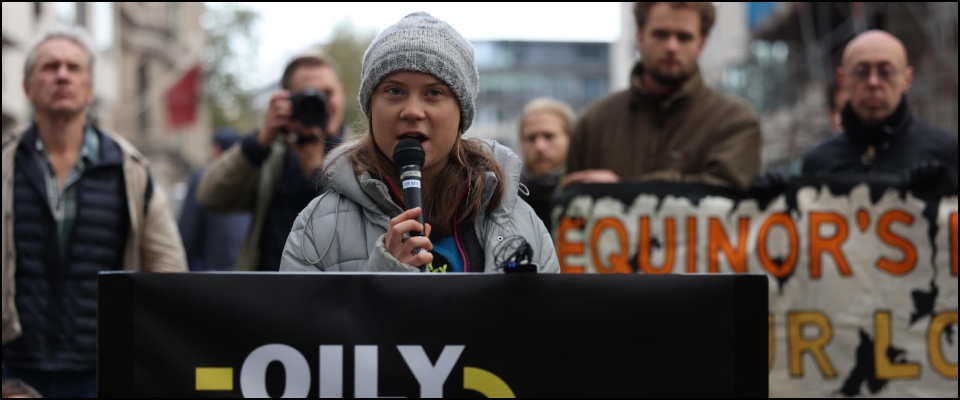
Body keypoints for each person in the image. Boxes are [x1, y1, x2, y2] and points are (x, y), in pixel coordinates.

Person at [279, 12, 559, 274]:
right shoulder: (318, 225)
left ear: (462, 113)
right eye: (394, 91)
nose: (412, 111)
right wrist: (386, 276)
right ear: (370, 107)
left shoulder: (521, 221)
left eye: (434, 92)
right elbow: (299, 325)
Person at [1, 26, 186, 398]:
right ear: (28, 88)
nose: (62, 75)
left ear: (90, 88)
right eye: (50, 67)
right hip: (13, 371)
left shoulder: (130, 169)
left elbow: (168, 273)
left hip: (101, 372)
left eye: (73, 67)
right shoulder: (5, 165)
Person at [562, 2, 761, 190]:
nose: (671, 47)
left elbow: (725, 194)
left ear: (701, 45)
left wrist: (620, 190)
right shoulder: (593, 124)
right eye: (660, 34)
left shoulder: (735, 122)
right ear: (640, 38)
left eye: (684, 37)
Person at [197, 54, 347, 271]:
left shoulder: (361, 156)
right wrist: (259, 140)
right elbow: (210, 197)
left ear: (341, 95)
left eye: (327, 93)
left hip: (332, 295)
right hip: (267, 293)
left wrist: (315, 167)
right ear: (288, 101)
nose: (319, 103)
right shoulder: (271, 157)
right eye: (308, 95)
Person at [802, 30, 958, 193]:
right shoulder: (818, 163)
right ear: (843, 79)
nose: (873, 82)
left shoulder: (946, 156)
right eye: (861, 72)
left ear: (906, 79)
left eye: (886, 72)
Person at [178, 128, 252, 271]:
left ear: (218, 149)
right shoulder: (252, 177)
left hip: (213, 275)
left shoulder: (201, 178)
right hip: (252, 273)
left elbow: (188, 233)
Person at [518, 97, 574, 232]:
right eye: (531, 138)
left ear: (570, 138)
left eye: (549, 136)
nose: (539, 146)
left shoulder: (584, 194)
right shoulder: (507, 199)